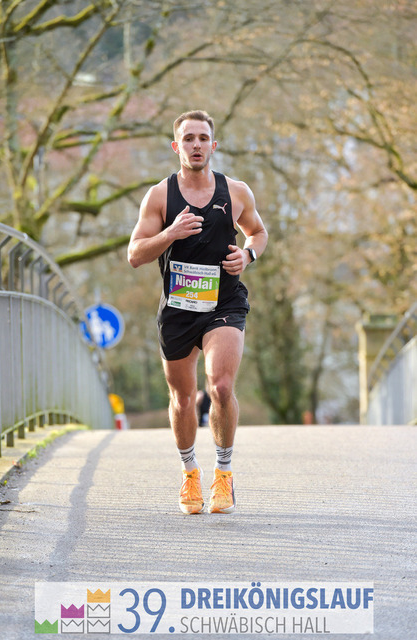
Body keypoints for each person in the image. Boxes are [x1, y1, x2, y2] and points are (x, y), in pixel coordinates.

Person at [127, 110, 268, 514]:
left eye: (203, 138)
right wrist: (170, 233)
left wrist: (248, 255)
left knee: (220, 386)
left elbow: (258, 232)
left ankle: (224, 474)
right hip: (178, 308)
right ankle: (190, 472)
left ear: (213, 145)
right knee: (184, 398)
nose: (196, 145)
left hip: (224, 303)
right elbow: (135, 254)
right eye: (188, 138)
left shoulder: (235, 191)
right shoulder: (159, 196)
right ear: (177, 146)